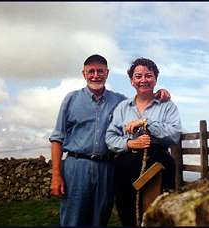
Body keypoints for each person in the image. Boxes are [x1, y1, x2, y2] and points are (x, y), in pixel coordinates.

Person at [49, 54, 171, 226]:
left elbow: (142, 102)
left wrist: (158, 94)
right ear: (84, 74)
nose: (95, 75)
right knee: (73, 220)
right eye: (91, 71)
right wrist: (56, 175)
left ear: (107, 73)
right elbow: (57, 138)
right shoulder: (71, 99)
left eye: (100, 71)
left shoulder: (120, 101)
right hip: (76, 167)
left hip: (106, 168)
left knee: (100, 219)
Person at [105, 57, 182, 226]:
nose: (143, 80)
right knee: (128, 214)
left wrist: (146, 123)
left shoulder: (167, 106)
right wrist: (129, 144)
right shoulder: (122, 108)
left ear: (155, 79)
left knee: (158, 214)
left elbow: (174, 135)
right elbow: (110, 138)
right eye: (138, 76)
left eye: (148, 75)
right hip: (126, 166)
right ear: (132, 81)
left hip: (158, 164)